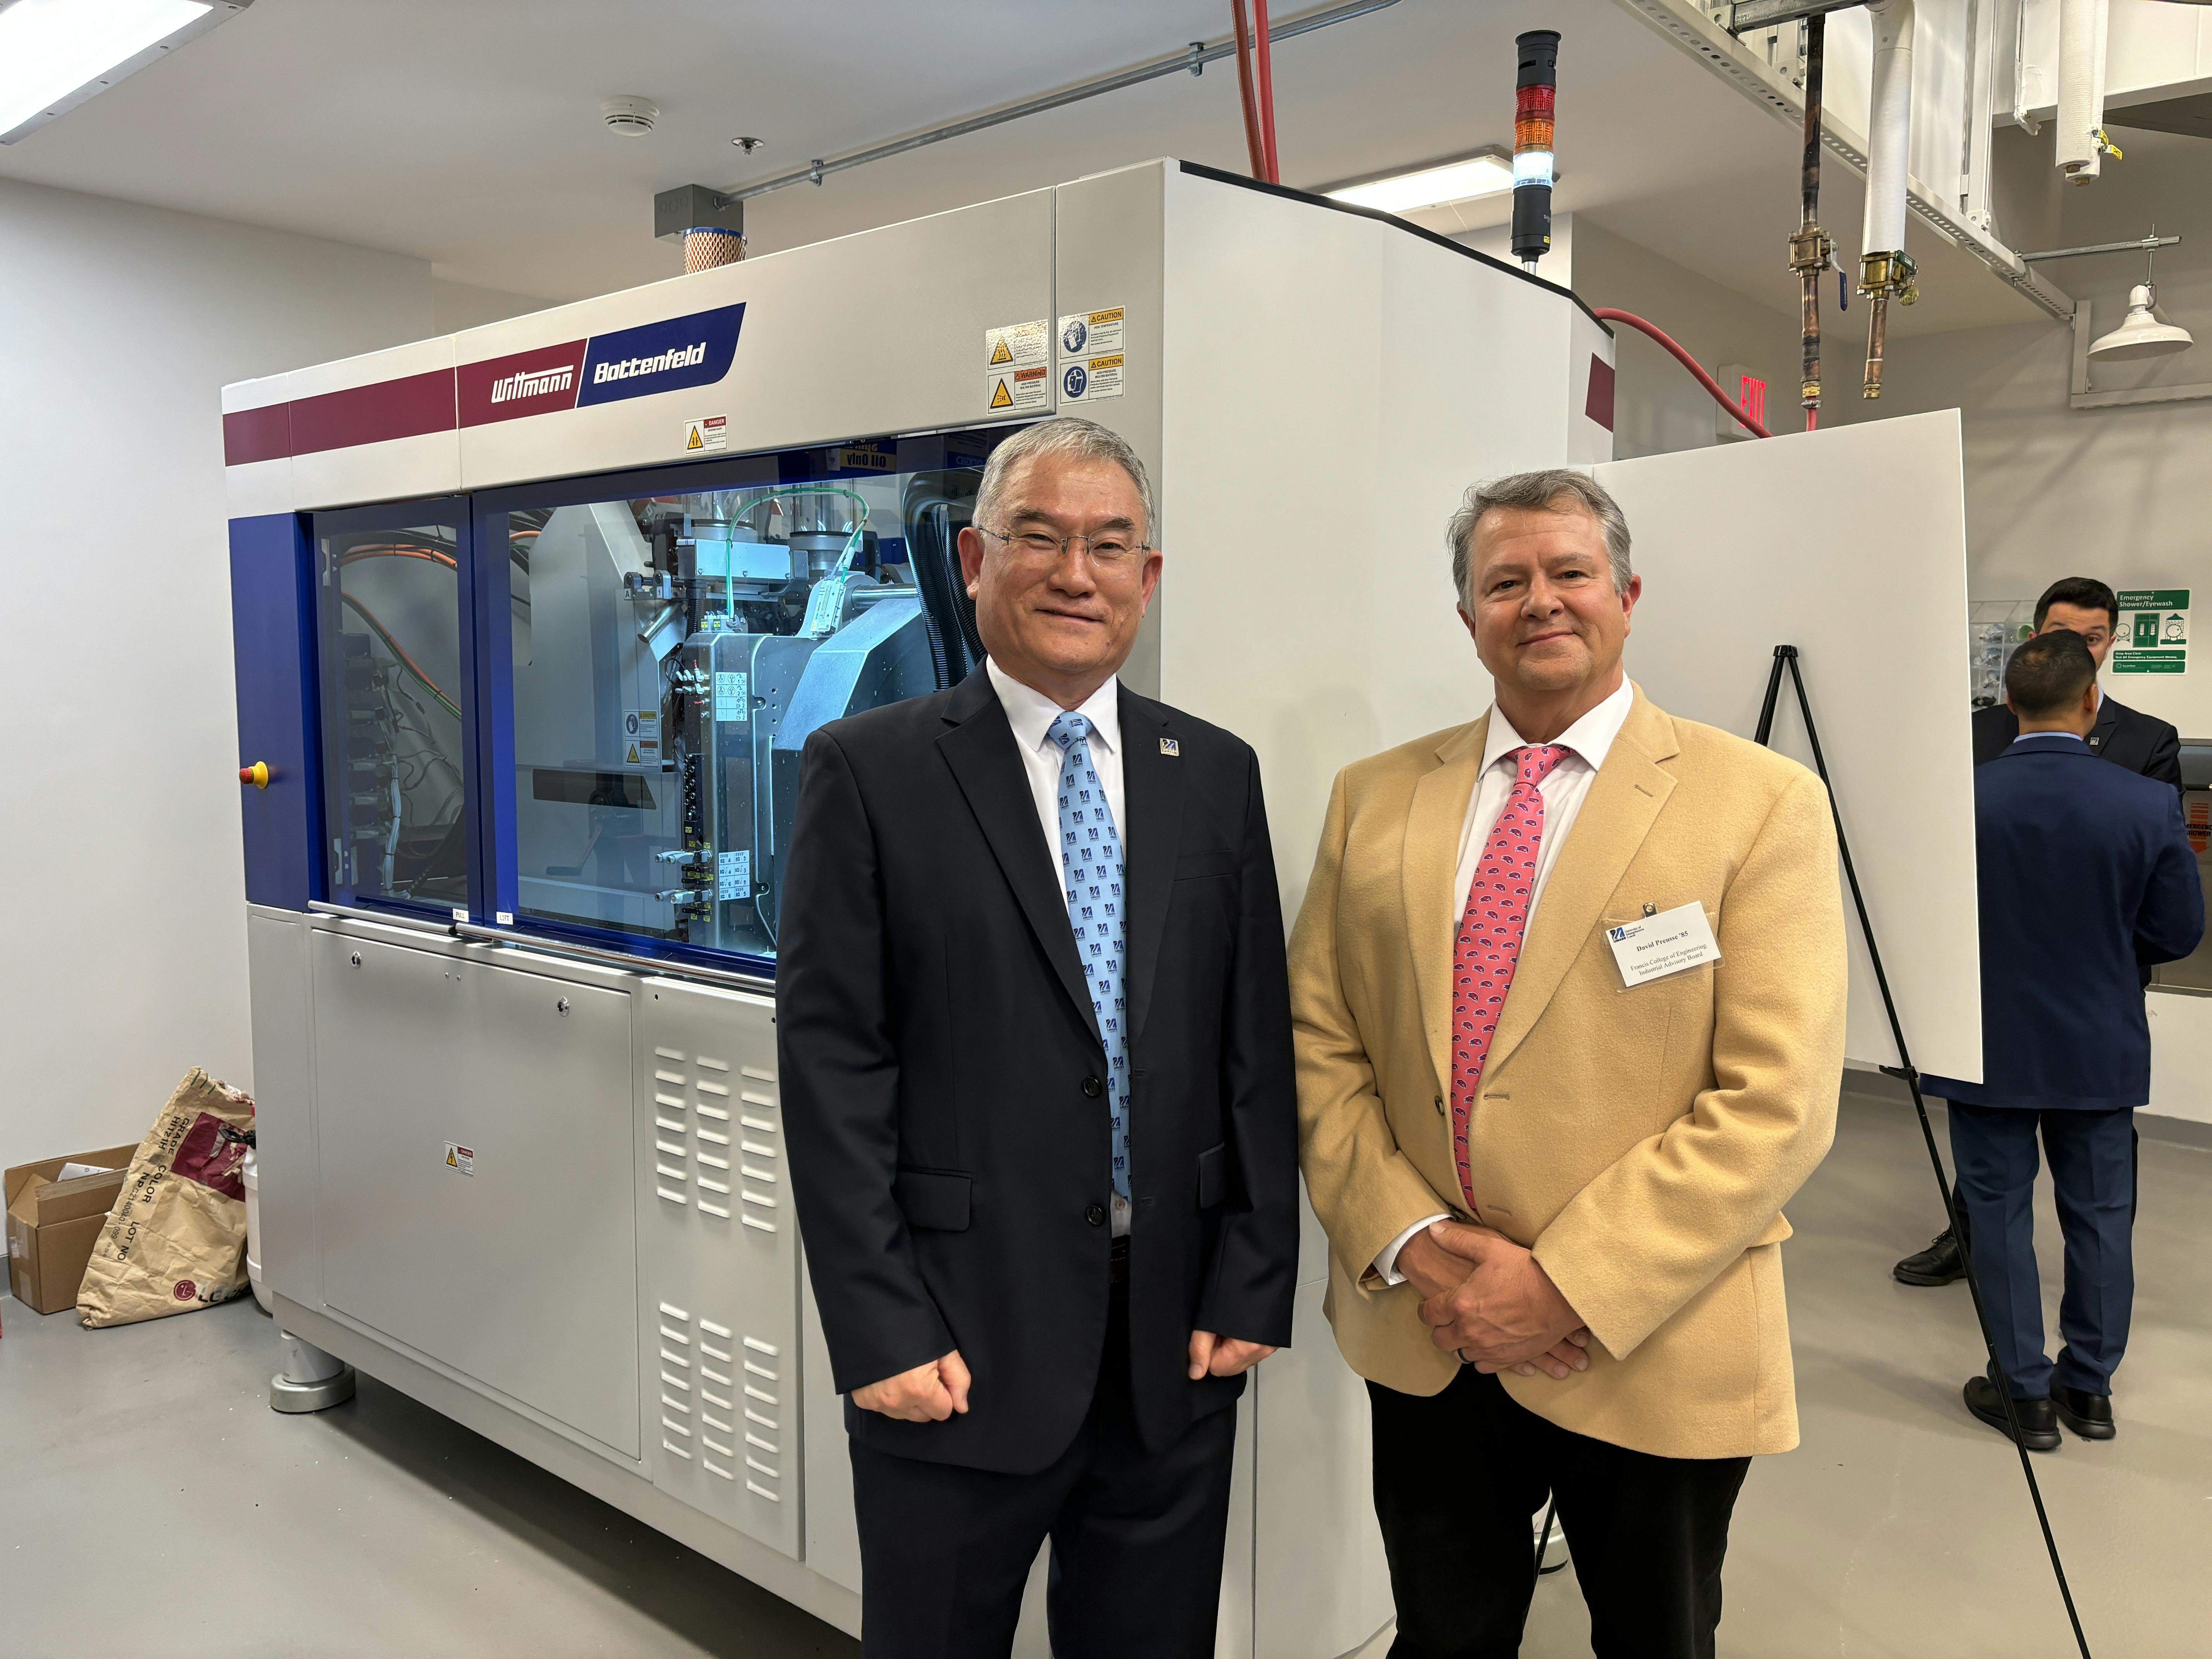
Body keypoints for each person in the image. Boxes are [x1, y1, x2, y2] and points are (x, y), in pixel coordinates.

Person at [1290, 469, 1846, 1659]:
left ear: (1628, 596)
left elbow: (1777, 1103)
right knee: (1444, 1634)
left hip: (1652, 1331)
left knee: (1656, 1638)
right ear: (1469, 616)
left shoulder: (1759, 804)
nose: (1540, 601)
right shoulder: (1374, 798)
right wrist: (1420, 1245)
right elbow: (1318, 1046)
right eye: (1505, 581)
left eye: (1569, 572)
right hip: (1432, 1329)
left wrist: (1562, 1285)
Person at [777, 416, 1299, 1659]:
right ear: (973, 558)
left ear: (1148, 577)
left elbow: (1255, 1050)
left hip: (1171, 1336)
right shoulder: (872, 770)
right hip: (957, 1334)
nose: (1079, 574)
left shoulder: (1214, 772)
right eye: (1042, 539)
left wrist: (1253, 1279)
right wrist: (879, 1326)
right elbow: (834, 1062)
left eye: (1111, 545)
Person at [1918, 630, 2202, 1449]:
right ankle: (2091, 1390)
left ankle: (2023, 1393)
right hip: (2099, 1045)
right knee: (2102, 1216)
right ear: (2091, 701)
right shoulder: (2147, 804)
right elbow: (2179, 932)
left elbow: (1929, 928)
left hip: (1985, 1047)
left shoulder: (1959, 798)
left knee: (1999, 1220)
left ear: (2007, 706)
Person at [1896, 575, 2185, 1287]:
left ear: (2110, 646)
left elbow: (2161, 888)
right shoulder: (1974, 736)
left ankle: (2022, 1371)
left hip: (2096, 985)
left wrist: (2112, 954)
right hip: (1992, 983)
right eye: (2062, 634)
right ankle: (1966, 1241)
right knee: (1993, 1165)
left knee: (2091, 1176)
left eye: (2091, 637)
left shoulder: (2149, 742)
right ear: (2032, 639)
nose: (2077, 648)